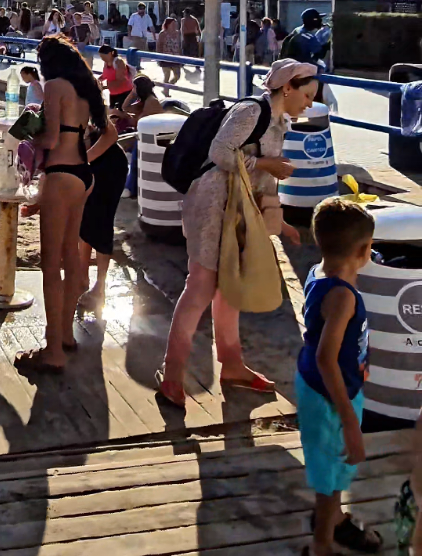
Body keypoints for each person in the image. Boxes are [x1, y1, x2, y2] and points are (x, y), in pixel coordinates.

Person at [156, 59, 316, 409]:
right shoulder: (250, 110)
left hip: (237, 208)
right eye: (306, 95)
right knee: (200, 286)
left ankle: (232, 366)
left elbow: (262, 183)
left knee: (229, 287)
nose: (309, 103)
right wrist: (265, 164)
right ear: (287, 88)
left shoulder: (279, 122)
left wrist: (278, 222)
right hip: (212, 204)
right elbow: (220, 152)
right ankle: (171, 376)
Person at [15, 36, 107, 375]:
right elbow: (99, 132)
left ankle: (53, 350)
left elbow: (50, 139)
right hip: (83, 173)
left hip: (61, 173)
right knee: (71, 255)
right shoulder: (86, 88)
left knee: (51, 265)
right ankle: (65, 335)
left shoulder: (54, 85)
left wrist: (26, 133)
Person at [296, 198, 379, 556]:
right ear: (364, 249)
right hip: (329, 395)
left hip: (329, 385)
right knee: (330, 475)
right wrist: (350, 422)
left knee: (334, 466)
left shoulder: (320, 270)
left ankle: (335, 518)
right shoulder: (343, 297)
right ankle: (322, 546)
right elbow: (326, 357)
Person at [78, 120, 128, 311]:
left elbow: (111, 135)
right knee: (83, 221)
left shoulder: (89, 100)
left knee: (101, 222)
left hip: (110, 165)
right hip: (87, 164)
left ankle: (100, 287)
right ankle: (82, 278)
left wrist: (82, 161)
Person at [98, 45, 133, 110]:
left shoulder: (119, 62)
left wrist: (104, 87)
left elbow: (120, 80)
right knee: (112, 114)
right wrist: (98, 80)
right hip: (112, 93)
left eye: (103, 56)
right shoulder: (106, 63)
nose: (102, 59)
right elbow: (105, 75)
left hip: (124, 93)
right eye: (101, 57)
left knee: (121, 113)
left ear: (110, 54)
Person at [157, 17, 182, 96]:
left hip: (176, 57)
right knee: (167, 75)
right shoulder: (163, 33)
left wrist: (182, 57)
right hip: (165, 57)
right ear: (168, 24)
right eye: (173, 24)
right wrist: (159, 57)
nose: (175, 25)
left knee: (177, 76)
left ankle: (167, 87)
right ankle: (166, 91)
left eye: (176, 24)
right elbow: (159, 45)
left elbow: (180, 45)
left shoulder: (178, 33)